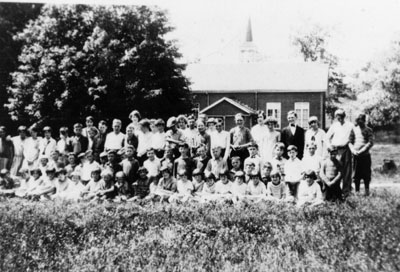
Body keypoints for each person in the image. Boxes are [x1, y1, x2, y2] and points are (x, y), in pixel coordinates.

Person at [325, 109, 355, 198]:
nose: (340, 119)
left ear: (344, 116)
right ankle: (335, 192)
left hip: (346, 149)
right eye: (338, 117)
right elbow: (326, 138)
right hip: (335, 150)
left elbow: (355, 136)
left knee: (347, 171)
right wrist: (330, 146)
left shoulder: (350, 125)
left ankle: (346, 192)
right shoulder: (334, 126)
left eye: (341, 117)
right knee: (335, 170)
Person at [349, 113, 374, 196]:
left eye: (361, 120)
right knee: (356, 175)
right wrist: (353, 150)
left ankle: (367, 191)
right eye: (358, 120)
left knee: (366, 174)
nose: (359, 122)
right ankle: (357, 192)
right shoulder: (354, 129)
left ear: (364, 120)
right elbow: (350, 142)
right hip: (356, 156)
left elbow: (370, 142)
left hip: (365, 156)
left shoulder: (368, 130)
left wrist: (362, 151)